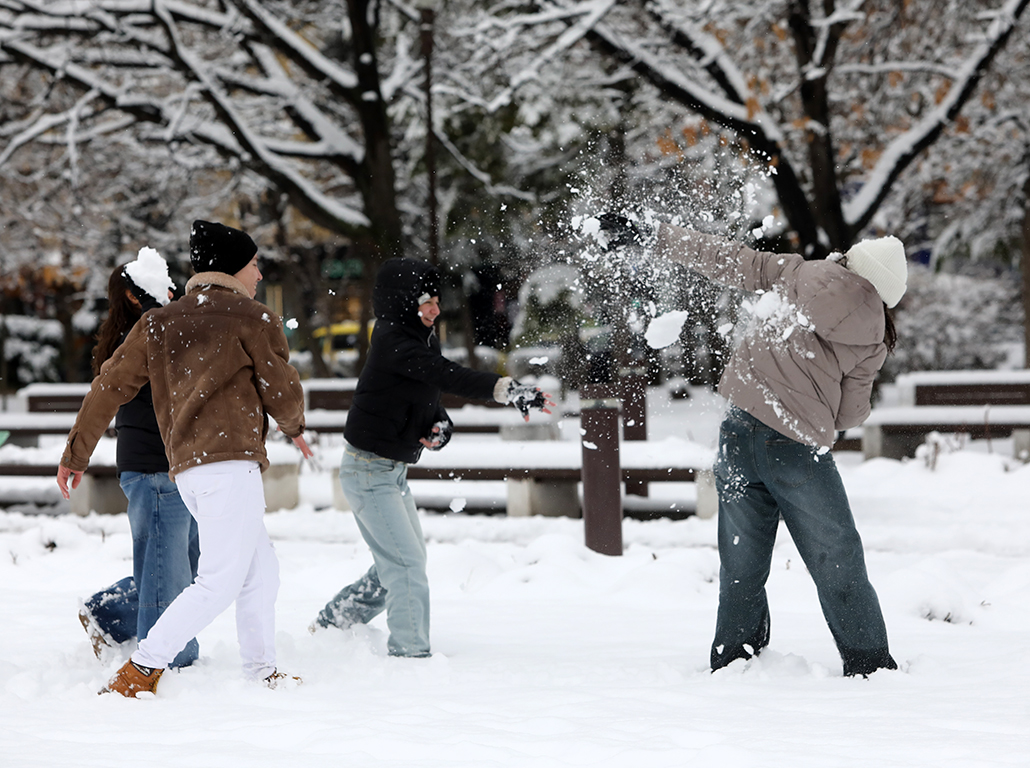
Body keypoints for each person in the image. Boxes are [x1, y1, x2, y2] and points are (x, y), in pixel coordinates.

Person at [597, 212, 902, 677]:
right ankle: (869, 663)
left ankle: (735, 659)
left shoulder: (795, 273)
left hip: (738, 433)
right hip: (798, 448)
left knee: (742, 557)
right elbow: (850, 416)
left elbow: (723, 257)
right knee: (836, 554)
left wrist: (653, 233)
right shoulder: (873, 339)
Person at [58, 220, 313, 697]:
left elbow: (110, 384)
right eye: (254, 265)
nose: (259, 274)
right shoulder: (251, 318)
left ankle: (261, 670)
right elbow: (282, 390)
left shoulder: (159, 322)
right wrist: (295, 426)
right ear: (234, 268)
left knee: (261, 569)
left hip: (189, 470)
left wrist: (76, 452)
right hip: (229, 464)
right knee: (217, 581)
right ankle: (141, 669)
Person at [311, 257, 553, 658]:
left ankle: (333, 623)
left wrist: (440, 426)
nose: (436, 310)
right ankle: (410, 656)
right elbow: (447, 375)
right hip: (369, 471)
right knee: (405, 566)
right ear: (403, 302)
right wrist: (507, 389)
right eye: (427, 301)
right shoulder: (393, 339)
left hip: (389, 471)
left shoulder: (418, 337)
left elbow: (427, 394)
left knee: (402, 561)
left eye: (438, 300)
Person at [77, 252, 200, 669]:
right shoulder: (147, 332)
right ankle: (169, 662)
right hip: (154, 469)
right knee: (171, 573)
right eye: (158, 285)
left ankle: (108, 613)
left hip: (171, 467)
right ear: (133, 295)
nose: (169, 289)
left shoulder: (159, 326)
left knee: (192, 564)